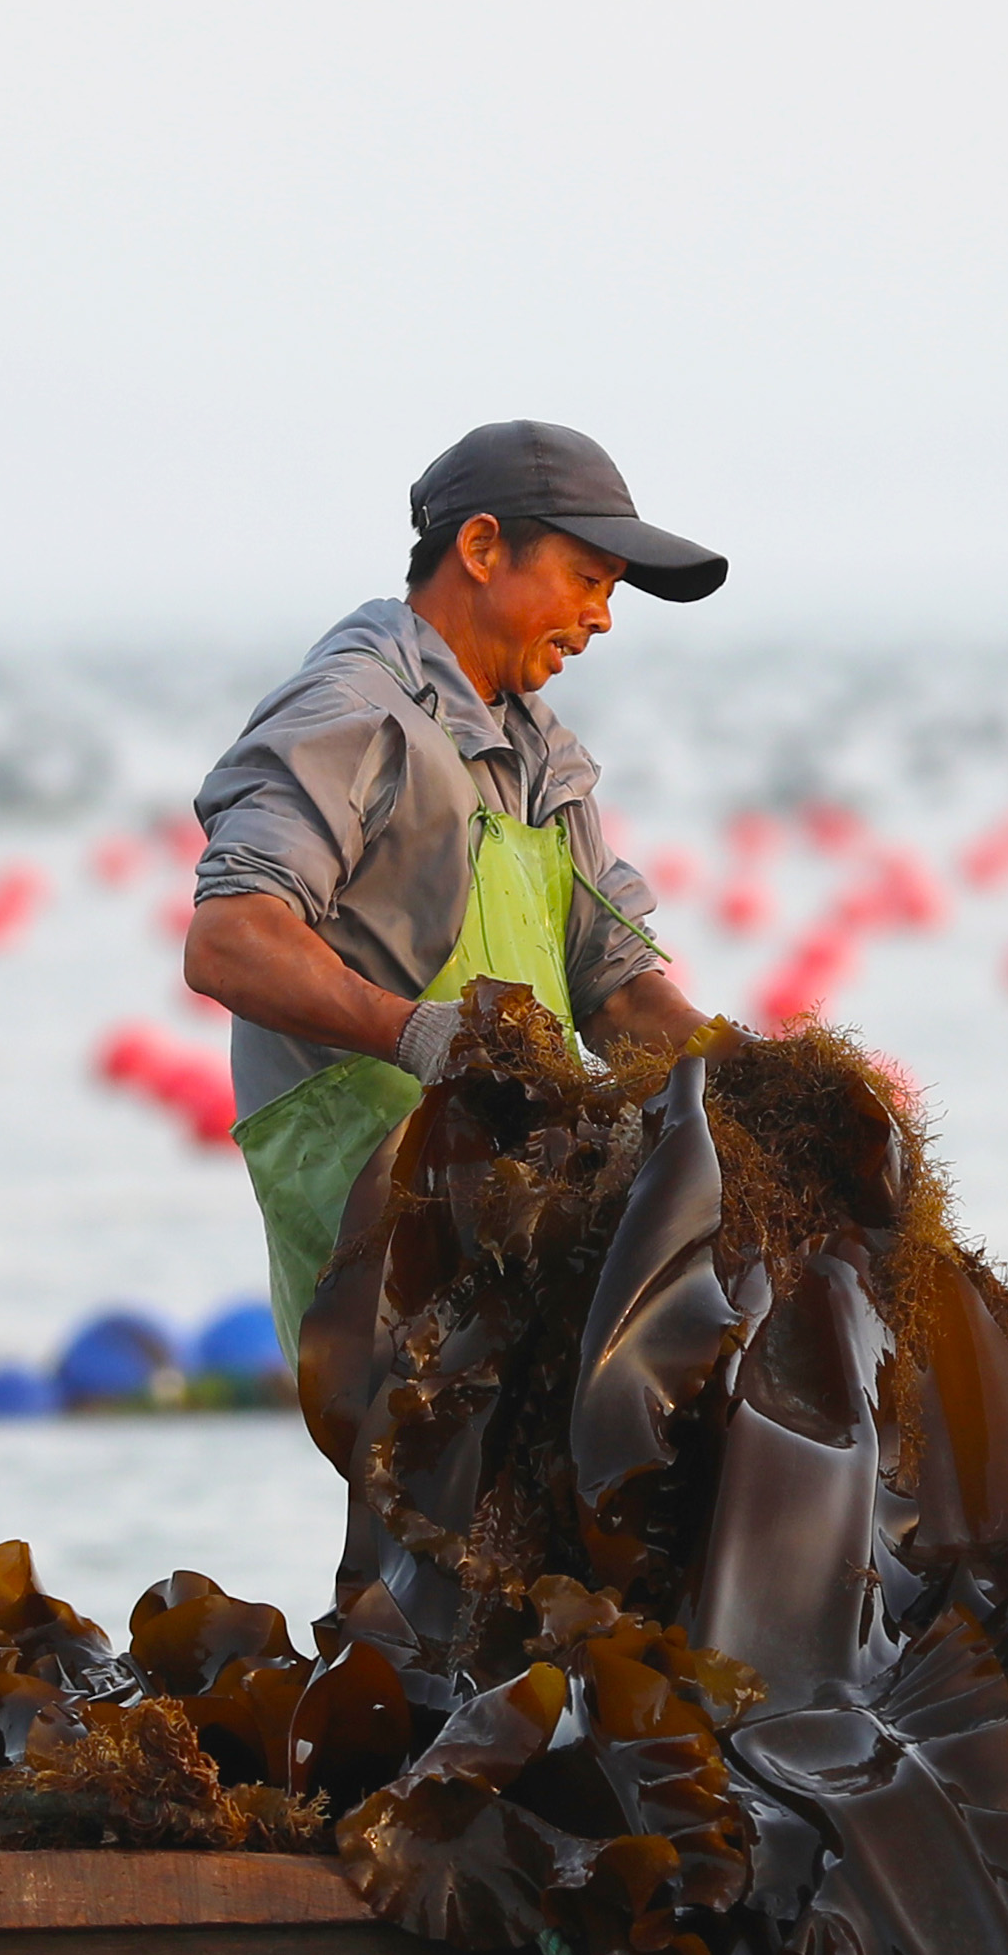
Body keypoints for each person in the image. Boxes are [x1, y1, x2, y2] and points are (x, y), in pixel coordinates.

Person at [184, 419, 726, 1325]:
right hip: (390, 1254)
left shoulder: (538, 750)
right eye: (587, 580)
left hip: (528, 1214)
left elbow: (618, 991)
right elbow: (230, 938)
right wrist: (420, 1036)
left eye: (612, 591)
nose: (601, 616)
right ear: (481, 547)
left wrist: (758, 1085)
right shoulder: (353, 712)